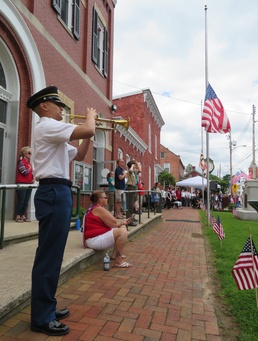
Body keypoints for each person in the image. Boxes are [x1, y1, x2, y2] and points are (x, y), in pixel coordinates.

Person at [27, 86, 96, 336]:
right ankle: (41, 317)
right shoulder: (46, 125)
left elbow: (78, 154)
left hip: (58, 190)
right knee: (49, 255)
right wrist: (91, 117)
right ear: (44, 106)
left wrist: (89, 134)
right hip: (54, 190)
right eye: (58, 106)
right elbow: (87, 127)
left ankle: (46, 307)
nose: (62, 111)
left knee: (53, 255)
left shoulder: (50, 130)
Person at [83, 190, 132, 268]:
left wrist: (122, 223)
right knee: (122, 232)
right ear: (100, 199)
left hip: (93, 237)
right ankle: (118, 261)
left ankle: (114, 255)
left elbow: (113, 223)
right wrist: (122, 223)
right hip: (93, 239)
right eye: (105, 197)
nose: (107, 199)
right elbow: (114, 223)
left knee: (122, 227)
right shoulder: (98, 209)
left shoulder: (95, 207)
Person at [15, 146, 34, 222]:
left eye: (31, 153)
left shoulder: (29, 163)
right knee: (21, 200)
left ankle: (23, 215)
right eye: (29, 153)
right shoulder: (21, 162)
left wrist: (33, 178)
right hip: (22, 183)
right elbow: (24, 172)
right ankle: (17, 216)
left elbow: (30, 173)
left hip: (29, 184)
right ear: (24, 153)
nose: (30, 154)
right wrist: (29, 169)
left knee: (26, 201)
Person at [125, 160, 137, 226]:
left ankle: (130, 219)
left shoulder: (133, 173)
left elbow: (139, 170)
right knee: (130, 205)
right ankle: (128, 220)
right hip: (130, 187)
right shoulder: (129, 172)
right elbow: (130, 170)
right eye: (134, 165)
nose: (135, 166)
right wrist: (132, 166)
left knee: (132, 205)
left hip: (133, 187)